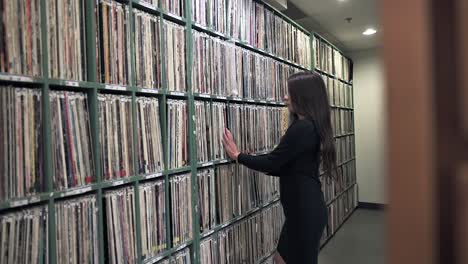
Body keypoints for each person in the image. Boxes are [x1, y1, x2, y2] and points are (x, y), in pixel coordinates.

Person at [222, 71, 336, 264]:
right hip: (304, 212)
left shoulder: (303, 128)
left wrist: (237, 155)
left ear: (303, 96)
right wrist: (247, 157)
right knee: (280, 259)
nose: (285, 97)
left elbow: (272, 162)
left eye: (289, 92)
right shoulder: (309, 126)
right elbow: (282, 166)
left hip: (304, 214)